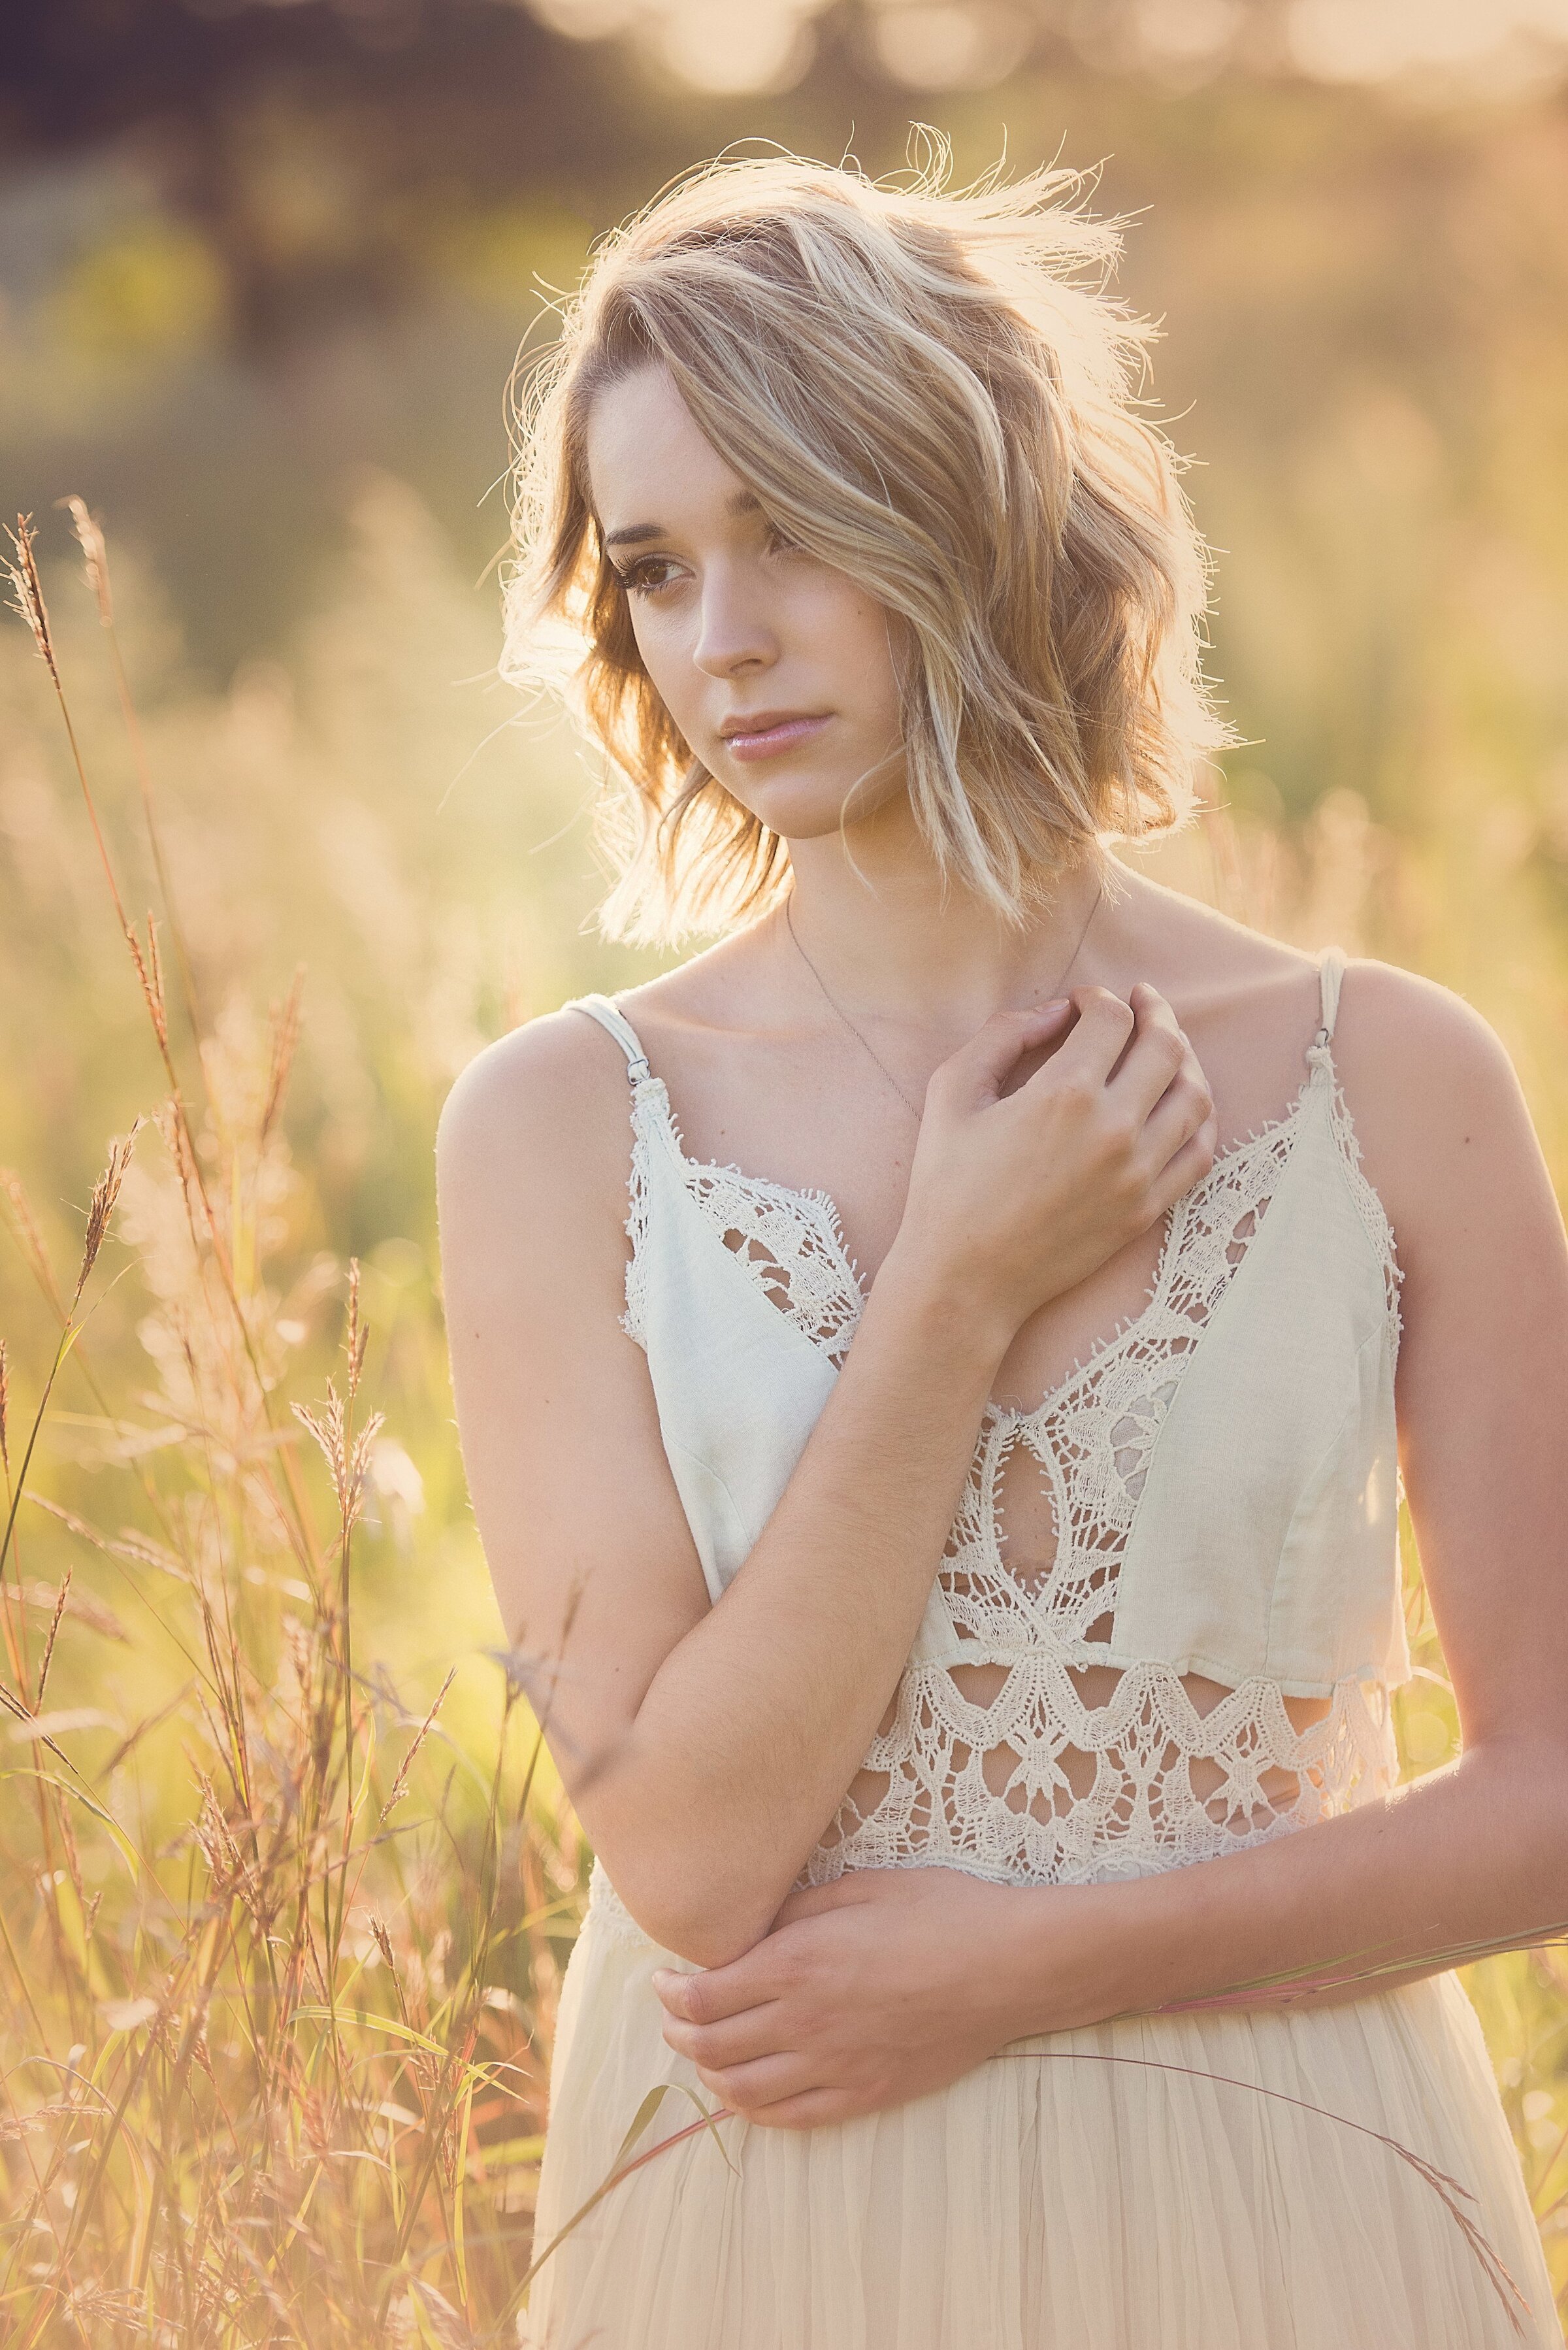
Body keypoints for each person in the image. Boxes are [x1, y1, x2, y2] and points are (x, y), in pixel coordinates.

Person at [436, 150, 1568, 2350]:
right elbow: (687, 1850)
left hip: (1296, 2190)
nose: (723, 638)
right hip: (765, 2207)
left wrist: (1028, 1965)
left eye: (790, 526)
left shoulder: (1394, 1078)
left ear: (974, 508)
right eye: (656, 569)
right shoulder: (565, 1125)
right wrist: (952, 1284)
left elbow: (1558, 1796)